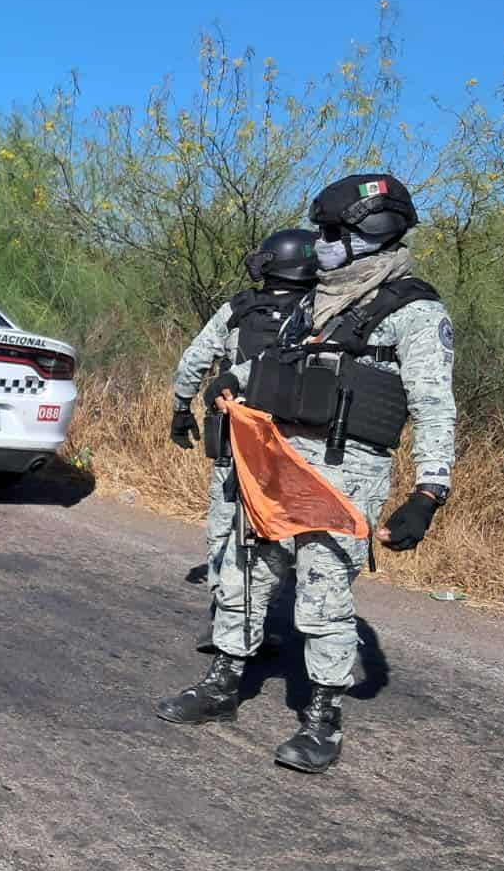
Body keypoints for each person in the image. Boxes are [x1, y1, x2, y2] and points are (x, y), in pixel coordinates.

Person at [156, 174, 456, 774]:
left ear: (370, 233)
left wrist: (430, 489)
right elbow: (270, 363)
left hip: (344, 472)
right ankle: (223, 681)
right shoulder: (314, 299)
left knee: (322, 591)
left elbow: (434, 404)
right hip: (271, 458)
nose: (319, 243)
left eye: (330, 232)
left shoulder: (414, 310)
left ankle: (323, 716)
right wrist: (230, 383)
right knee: (243, 568)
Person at [169, 229, 319, 626]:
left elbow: (194, 362)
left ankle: (227, 616)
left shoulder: (240, 308)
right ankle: (270, 613)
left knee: (225, 525)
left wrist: (181, 409)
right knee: (286, 529)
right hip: (301, 441)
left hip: (240, 434)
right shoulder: (325, 312)